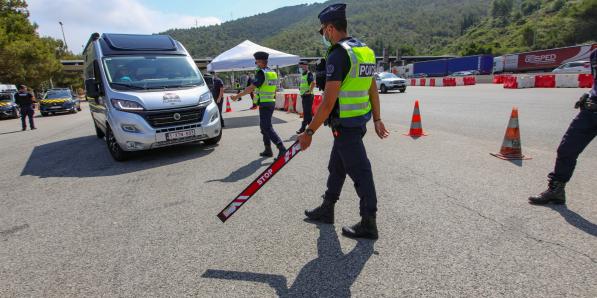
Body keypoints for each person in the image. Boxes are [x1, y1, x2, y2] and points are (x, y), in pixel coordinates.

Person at [298, 3, 390, 239]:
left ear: (330, 29)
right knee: (336, 167)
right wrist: (377, 118)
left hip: (346, 126)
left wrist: (308, 132)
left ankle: (369, 222)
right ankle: (327, 209)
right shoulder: (365, 51)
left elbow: (328, 104)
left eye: (323, 31)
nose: (324, 36)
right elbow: (373, 91)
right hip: (357, 123)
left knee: (361, 172)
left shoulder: (338, 54)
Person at [529, 48, 597, 205]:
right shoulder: (595, 55)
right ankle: (556, 190)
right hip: (590, 111)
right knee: (566, 149)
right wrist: (588, 94)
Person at [232, 51, 287, 158]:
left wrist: (237, 96)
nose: (256, 64)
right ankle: (268, 149)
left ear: (261, 61)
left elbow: (251, 88)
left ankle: (281, 148)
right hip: (270, 101)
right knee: (264, 127)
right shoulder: (272, 72)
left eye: (256, 62)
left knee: (267, 127)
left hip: (265, 103)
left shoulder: (261, 73)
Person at [296, 61, 316, 134]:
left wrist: (309, 91)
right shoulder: (303, 74)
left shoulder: (308, 73)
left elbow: (313, 83)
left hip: (308, 96)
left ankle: (303, 128)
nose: (300, 68)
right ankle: (311, 128)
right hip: (304, 96)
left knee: (306, 113)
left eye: (301, 66)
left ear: (305, 66)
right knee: (308, 113)